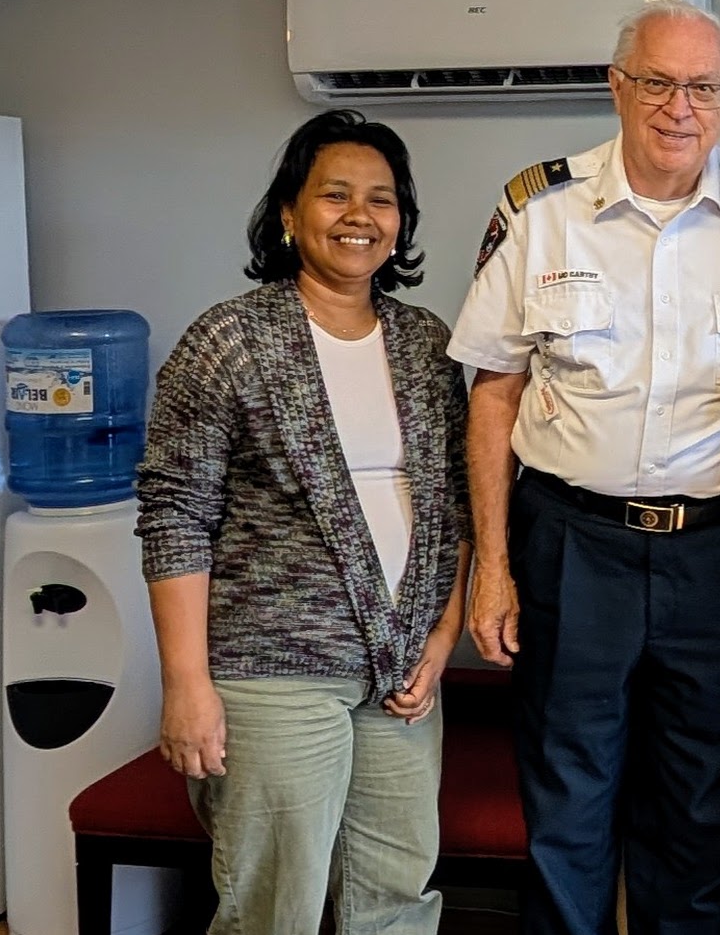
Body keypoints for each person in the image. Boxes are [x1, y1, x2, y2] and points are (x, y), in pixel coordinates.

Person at [448, 0, 720, 935]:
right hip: (573, 546)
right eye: (657, 82)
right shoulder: (539, 209)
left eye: (703, 86)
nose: (680, 107)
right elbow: (492, 392)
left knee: (701, 827)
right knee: (565, 823)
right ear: (617, 86)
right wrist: (491, 566)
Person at [137, 109, 471, 935]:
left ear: (402, 222)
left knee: (395, 895)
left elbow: (454, 507)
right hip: (275, 669)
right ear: (288, 213)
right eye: (335, 195)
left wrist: (441, 637)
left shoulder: (427, 344)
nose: (360, 215)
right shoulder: (230, 340)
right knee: (273, 907)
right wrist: (186, 685)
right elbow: (174, 512)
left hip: (400, 673)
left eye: (382, 199)